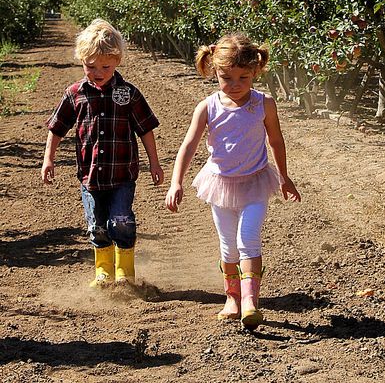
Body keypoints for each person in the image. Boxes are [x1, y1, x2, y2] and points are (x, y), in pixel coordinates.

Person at [165, 33, 301, 330]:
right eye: (227, 78)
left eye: (244, 77)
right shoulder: (208, 107)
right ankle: (233, 298)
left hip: (255, 182)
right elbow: (188, 145)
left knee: (248, 237)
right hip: (221, 184)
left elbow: (276, 141)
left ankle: (251, 301)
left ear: (256, 72)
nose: (236, 85)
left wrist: (285, 177)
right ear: (214, 72)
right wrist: (176, 182)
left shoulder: (264, 103)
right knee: (228, 247)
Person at [41, 19, 164, 288]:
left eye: (105, 67)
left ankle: (124, 272)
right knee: (96, 225)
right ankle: (103, 271)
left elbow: (145, 129)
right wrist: (48, 158)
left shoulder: (128, 93)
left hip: (122, 174)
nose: (97, 72)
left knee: (121, 220)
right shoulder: (75, 94)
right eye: (90, 66)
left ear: (117, 61)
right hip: (90, 175)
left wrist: (154, 163)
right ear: (81, 61)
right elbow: (58, 127)